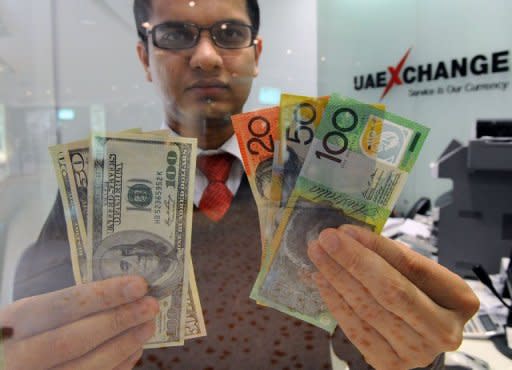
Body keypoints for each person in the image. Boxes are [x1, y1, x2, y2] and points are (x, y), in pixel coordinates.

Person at [3, 0, 479, 369]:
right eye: (175, 34)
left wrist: (416, 350)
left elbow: (368, 344)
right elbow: (37, 336)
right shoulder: (93, 190)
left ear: (257, 54)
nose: (207, 57)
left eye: (230, 34)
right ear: (144, 58)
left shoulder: (319, 181)